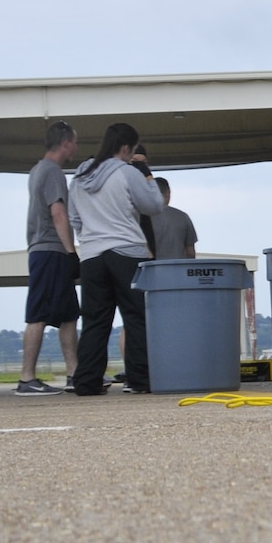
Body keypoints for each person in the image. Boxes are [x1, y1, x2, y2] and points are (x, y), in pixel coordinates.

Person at [69, 122, 165, 395]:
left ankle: (86, 381)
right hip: (126, 251)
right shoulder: (127, 172)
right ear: (126, 148)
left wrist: (89, 236)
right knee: (135, 317)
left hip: (91, 255)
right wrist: (145, 172)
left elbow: (75, 218)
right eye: (132, 150)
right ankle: (139, 379)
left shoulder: (80, 176)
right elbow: (154, 205)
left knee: (95, 320)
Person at [16, 121, 81, 395]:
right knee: (39, 314)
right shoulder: (53, 171)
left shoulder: (37, 170)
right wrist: (71, 252)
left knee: (68, 315)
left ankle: (75, 374)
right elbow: (58, 213)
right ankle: (26, 378)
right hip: (50, 250)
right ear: (66, 142)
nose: (76, 147)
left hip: (46, 250)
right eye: (75, 142)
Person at [150, 178, 197, 260]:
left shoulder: (143, 217)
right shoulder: (183, 217)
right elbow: (191, 253)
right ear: (168, 193)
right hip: (178, 269)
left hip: (152, 269)